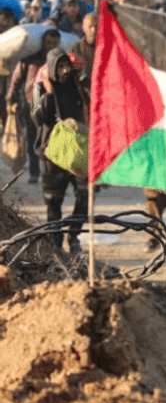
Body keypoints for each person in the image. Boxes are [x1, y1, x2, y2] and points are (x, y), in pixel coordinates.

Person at [31, 48, 87, 253]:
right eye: (60, 67)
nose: (64, 71)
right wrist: (48, 94)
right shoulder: (41, 86)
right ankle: (55, 240)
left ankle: (74, 236)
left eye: (67, 66)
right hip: (52, 152)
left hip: (77, 150)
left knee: (85, 194)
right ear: (52, 68)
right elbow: (37, 118)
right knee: (53, 201)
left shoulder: (76, 83)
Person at [9, 28, 60, 185]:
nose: (50, 46)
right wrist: (10, 99)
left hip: (53, 107)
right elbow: (16, 79)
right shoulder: (29, 60)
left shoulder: (60, 61)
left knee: (52, 140)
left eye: (54, 43)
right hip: (31, 105)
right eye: (48, 42)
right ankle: (34, 172)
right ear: (43, 42)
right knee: (33, 139)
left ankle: (50, 173)